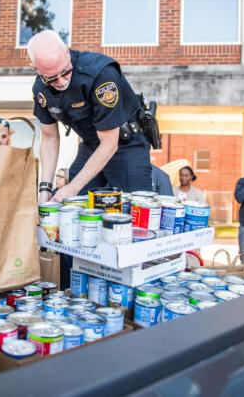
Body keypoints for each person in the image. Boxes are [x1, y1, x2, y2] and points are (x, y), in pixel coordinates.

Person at [28, 30, 152, 288]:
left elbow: (110, 143)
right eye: (52, 77)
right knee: (68, 212)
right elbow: (50, 139)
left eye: (65, 72)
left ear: (67, 53)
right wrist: (45, 188)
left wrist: (70, 187)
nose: (61, 81)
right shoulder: (40, 90)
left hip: (126, 144)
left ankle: (138, 287)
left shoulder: (100, 73)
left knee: (138, 219)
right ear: (35, 68)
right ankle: (70, 286)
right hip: (91, 145)